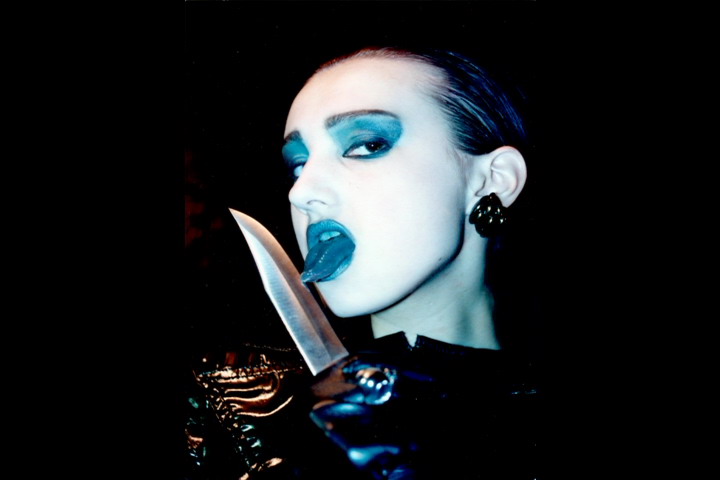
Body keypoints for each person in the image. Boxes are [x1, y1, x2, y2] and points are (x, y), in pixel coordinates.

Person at [182, 46, 541, 480]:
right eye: (298, 165)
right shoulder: (234, 407)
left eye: (366, 145)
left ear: (493, 179)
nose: (301, 192)